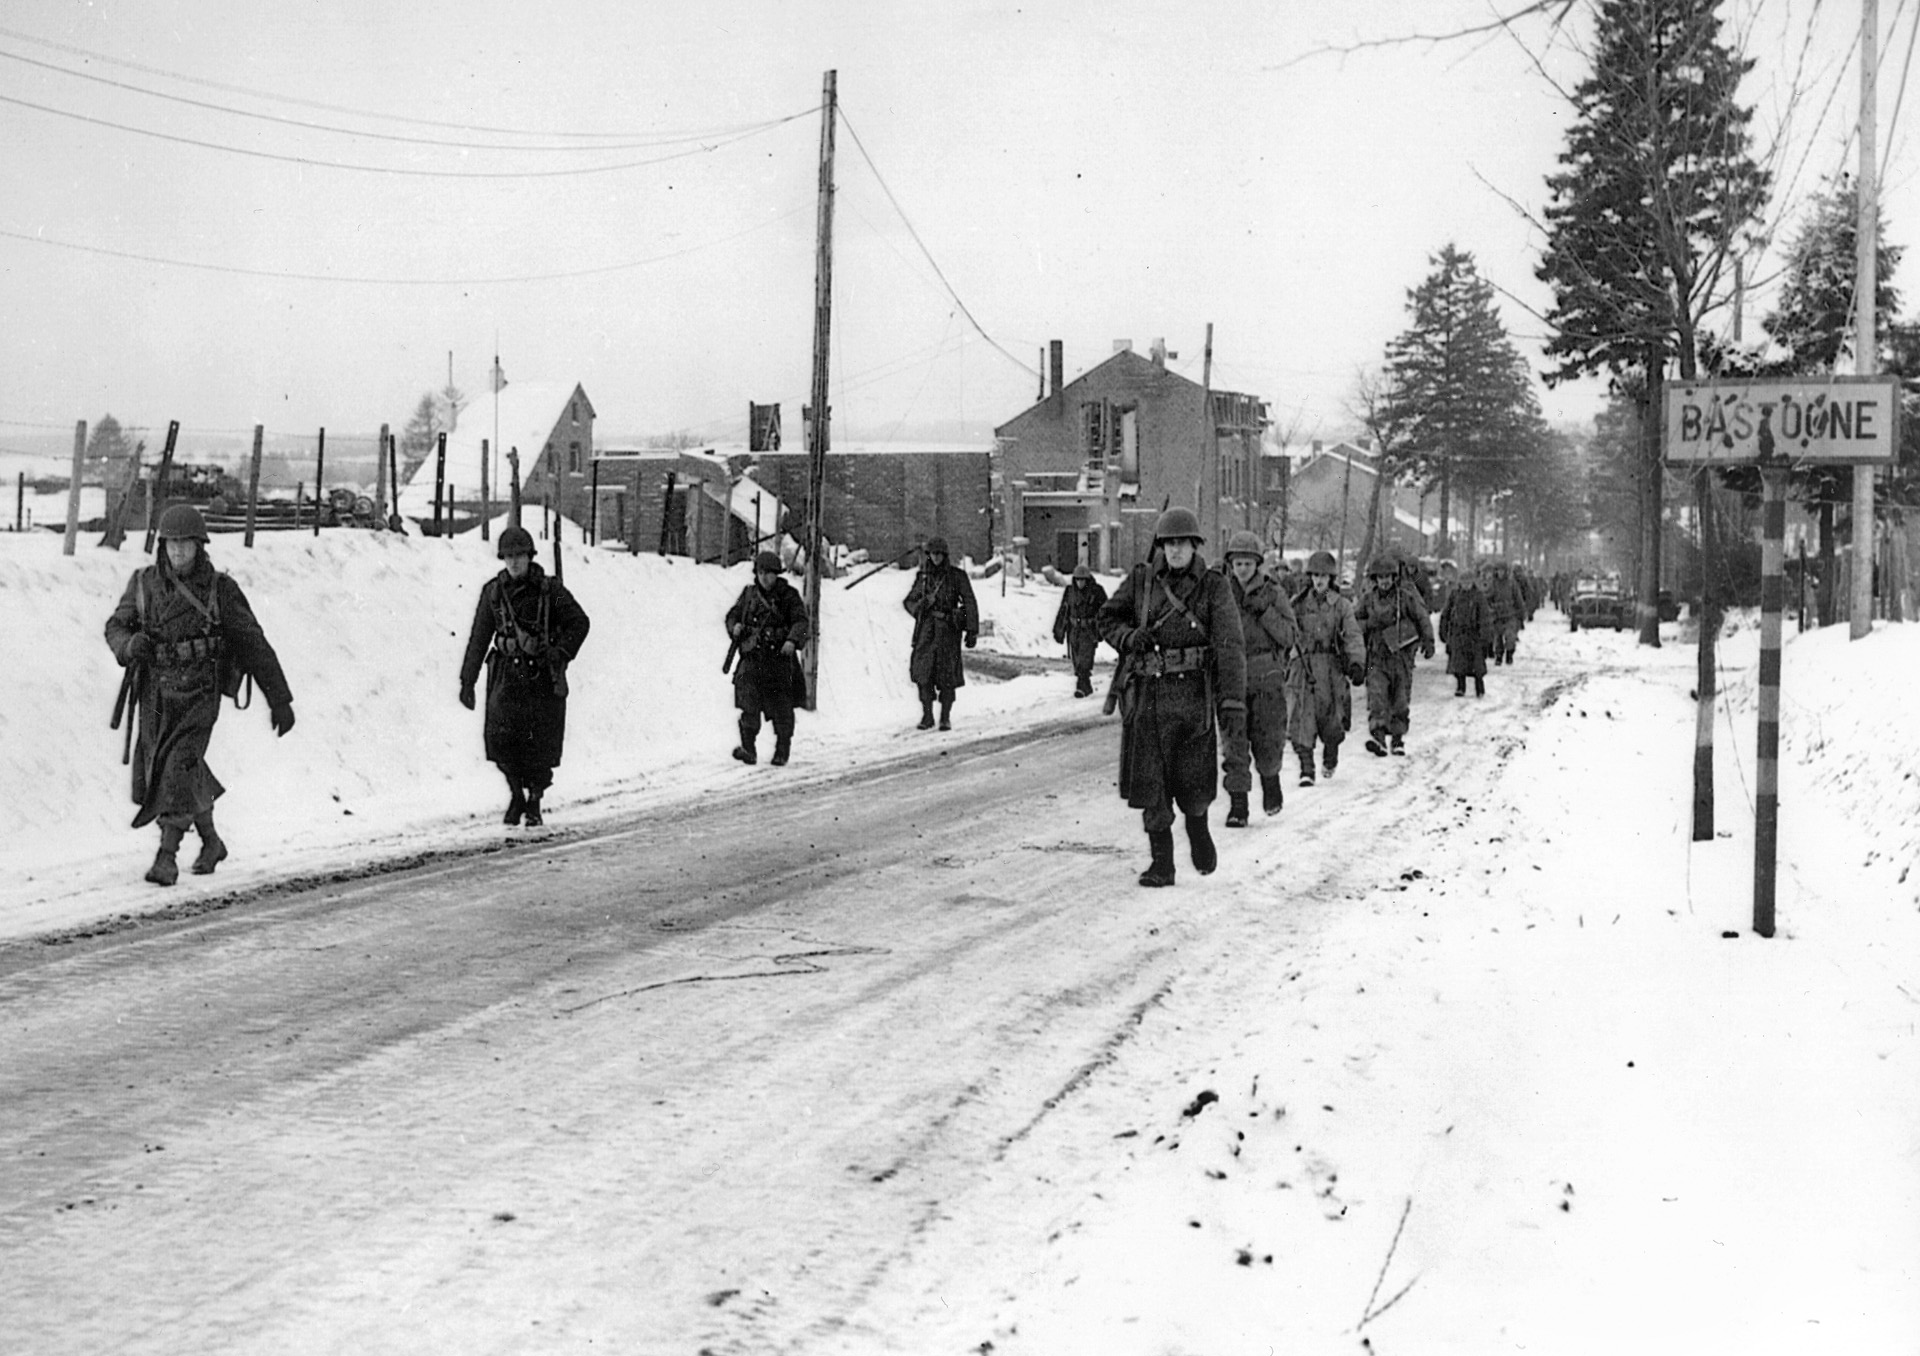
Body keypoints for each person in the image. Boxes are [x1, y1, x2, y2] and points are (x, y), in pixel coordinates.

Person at [103, 503, 295, 886]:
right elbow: (116, 626)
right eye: (171, 544)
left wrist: (279, 699)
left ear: (200, 546)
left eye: (186, 544)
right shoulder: (142, 584)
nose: (178, 552)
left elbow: (252, 642)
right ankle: (211, 841)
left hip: (198, 694)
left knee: (177, 768)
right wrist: (129, 645)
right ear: (162, 546)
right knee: (167, 766)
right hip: (156, 695)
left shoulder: (221, 589)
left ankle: (167, 856)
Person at [1097, 507, 1247, 887]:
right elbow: (1108, 618)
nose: (1175, 551)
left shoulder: (1214, 586)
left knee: (1194, 783)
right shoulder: (1142, 580)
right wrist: (1129, 638)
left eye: (1182, 544)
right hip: (1148, 697)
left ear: (1195, 546)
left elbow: (1230, 646)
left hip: (1193, 696)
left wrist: (1230, 700)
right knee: (1151, 783)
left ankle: (1197, 828)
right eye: (1168, 544)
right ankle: (1162, 863)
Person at [458, 524, 590, 827]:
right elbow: (479, 638)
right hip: (505, 676)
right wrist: (468, 681)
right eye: (508, 556)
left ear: (530, 556)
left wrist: (560, 653)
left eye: (519, 555)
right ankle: (516, 793)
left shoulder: (549, 590)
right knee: (501, 741)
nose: (514, 562)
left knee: (539, 744)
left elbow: (579, 623)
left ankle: (534, 800)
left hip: (540, 677)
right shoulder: (493, 592)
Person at [1220, 530, 1295, 825]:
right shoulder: (1221, 593)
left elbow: (1290, 635)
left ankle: (1270, 781)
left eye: (1247, 564)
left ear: (1258, 564)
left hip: (1266, 676)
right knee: (1233, 744)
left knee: (1268, 739)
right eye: (1237, 563)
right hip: (1231, 677)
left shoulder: (1273, 593)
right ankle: (1238, 805)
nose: (1242, 569)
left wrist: (1265, 611)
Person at [1285, 549, 1364, 786]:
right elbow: (1285, 632)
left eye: (1324, 576)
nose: (1319, 580)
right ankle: (1306, 768)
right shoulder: (1297, 604)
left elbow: (1352, 634)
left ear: (1331, 578)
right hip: (1303, 666)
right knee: (1300, 717)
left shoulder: (1341, 606)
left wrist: (1357, 662)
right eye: (1315, 575)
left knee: (1333, 719)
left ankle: (1331, 754)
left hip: (1331, 668)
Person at [725, 551, 809, 765]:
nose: (764, 577)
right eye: (761, 573)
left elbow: (801, 622)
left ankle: (782, 751)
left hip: (779, 660)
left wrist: (791, 640)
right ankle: (748, 749)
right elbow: (733, 615)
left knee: (781, 708)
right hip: (753, 659)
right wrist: (734, 626)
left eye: (769, 573)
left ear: (777, 574)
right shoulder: (749, 594)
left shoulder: (788, 596)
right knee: (748, 704)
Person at [1353, 557, 1436, 756]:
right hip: (1376, 657)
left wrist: (1428, 641)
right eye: (1380, 578)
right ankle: (1379, 737)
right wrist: (1369, 625)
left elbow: (1421, 617)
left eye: (1388, 577)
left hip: (1401, 656)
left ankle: (1397, 739)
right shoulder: (1368, 600)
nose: (1384, 581)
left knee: (1400, 698)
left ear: (1394, 577)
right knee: (1377, 697)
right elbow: (1354, 624)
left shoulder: (1405, 597)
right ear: (1375, 579)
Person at [903, 536, 979, 730]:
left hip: (948, 631)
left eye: (939, 554)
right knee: (923, 674)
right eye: (932, 554)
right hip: (927, 631)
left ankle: (945, 716)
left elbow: (969, 602)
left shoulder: (956, 576)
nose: (936, 558)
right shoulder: (923, 578)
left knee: (947, 676)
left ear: (945, 556)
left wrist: (971, 631)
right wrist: (920, 606)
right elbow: (909, 601)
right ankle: (927, 715)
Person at [1437, 558, 1493, 697]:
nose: (1466, 585)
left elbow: (1485, 616)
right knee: (1459, 664)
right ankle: (1460, 687)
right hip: (1458, 634)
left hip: (1475, 635)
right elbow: (1446, 614)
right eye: (1463, 582)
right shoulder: (1455, 595)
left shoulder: (1478, 596)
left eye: (1468, 582)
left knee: (1477, 665)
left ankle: (1479, 688)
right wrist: (1443, 631)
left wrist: (1485, 635)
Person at [1052, 563, 1109, 698]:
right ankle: (1086, 685)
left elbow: (1106, 611)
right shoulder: (1070, 592)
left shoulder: (1096, 591)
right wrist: (1059, 630)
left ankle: (1081, 687)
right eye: (1077, 579)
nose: (1080, 583)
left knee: (1085, 660)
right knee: (1077, 661)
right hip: (1074, 630)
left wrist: (1103, 630)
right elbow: (1063, 611)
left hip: (1089, 631)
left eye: (1082, 580)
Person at [1485, 560, 1526, 666]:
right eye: (1499, 571)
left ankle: (1509, 654)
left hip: (1510, 614)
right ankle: (1498, 656)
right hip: (1497, 615)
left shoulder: (1512, 583)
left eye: (1502, 570)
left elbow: (1518, 599)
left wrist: (1521, 613)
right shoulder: (1493, 584)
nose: (1501, 573)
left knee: (1510, 636)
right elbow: (1487, 598)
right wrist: (1490, 609)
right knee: (1498, 638)